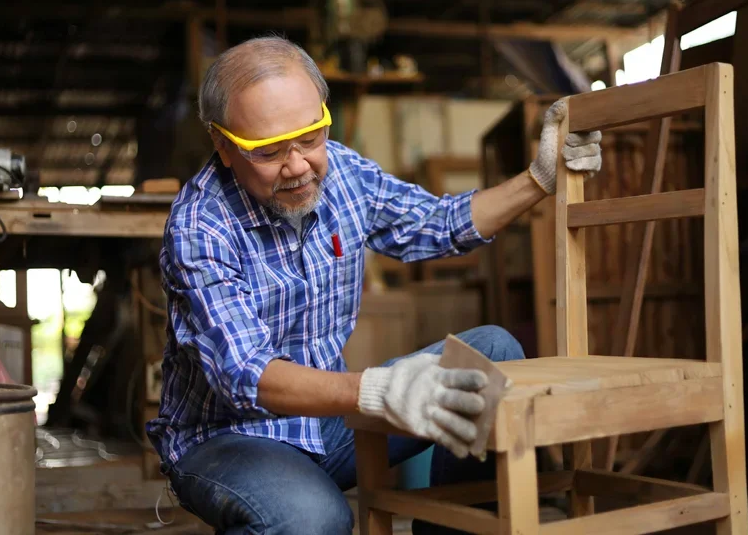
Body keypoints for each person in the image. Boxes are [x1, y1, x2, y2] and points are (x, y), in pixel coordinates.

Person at [146, 35, 602, 535]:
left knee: (493, 353)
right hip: (229, 437)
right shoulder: (199, 226)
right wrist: (377, 390)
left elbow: (437, 223)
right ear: (223, 144)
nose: (298, 165)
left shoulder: (342, 171)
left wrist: (539, 179)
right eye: (270, 150)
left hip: (330, 424)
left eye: (310, 136)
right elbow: (248, 375)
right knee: (313, 519)